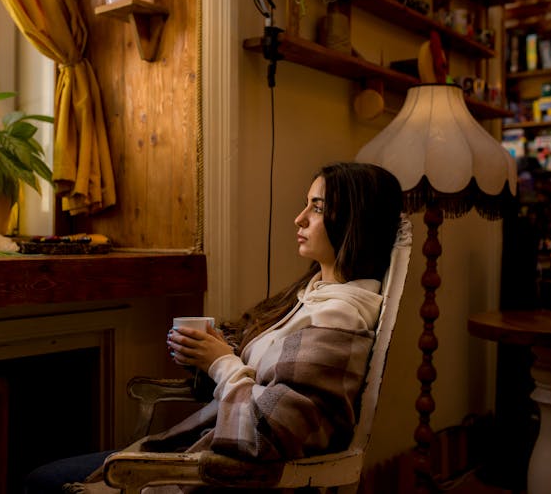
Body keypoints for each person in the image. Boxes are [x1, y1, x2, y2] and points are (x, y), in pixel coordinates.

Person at [25, 162, 404, 493]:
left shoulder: (338, 317)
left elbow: (265, 434)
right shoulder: (312, 296)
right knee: (45, 475)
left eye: (317, 208)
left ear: (355, 222)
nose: (299, 218)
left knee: (41, 480)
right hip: (207, 450)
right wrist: (212, 355)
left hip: (226, 475)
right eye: (306, 204)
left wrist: (222, 362)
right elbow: (267, 380)